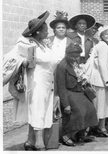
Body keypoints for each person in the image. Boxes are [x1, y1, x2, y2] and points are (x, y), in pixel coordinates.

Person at [17, 11, 58, 150]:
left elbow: (54, 61)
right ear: (38, 32)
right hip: (37, 81)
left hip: (48, 81)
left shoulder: (44, 45)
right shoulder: (27, 44)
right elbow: (19, 60)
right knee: (37, 109)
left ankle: (30, 141)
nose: (48, 32)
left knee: (45, 110)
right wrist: (25, 61)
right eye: (46, 30)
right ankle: (39, 142)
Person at [56, 43, 98, 146]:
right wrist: (66, 104)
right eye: (73, 56)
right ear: (67, 54)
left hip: (79, 91)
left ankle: (81, 134)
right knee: (78, 112)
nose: (75, 58)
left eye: (77, 56)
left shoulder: (75, 63)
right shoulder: (62, 66)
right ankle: (65, 135)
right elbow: (61, 87)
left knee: (90, 108)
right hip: (69, 93)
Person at [86, 26, 108, 137]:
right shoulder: (102, 46)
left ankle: (100, 127)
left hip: (102, 79)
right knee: (101, 104)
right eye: (106, 34)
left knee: (103, 104)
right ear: (102, 36)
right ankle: (100, 128)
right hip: (101, 80)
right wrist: (107, 80)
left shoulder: (106, 46)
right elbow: (102, 64)